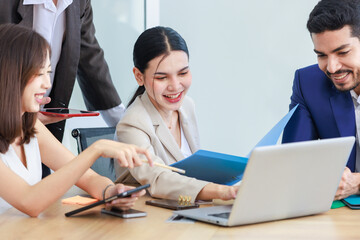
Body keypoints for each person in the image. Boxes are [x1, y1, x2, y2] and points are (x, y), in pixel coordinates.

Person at [0, 23, 152, 217]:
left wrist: (112, 192)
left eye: (48, 72)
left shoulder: (30, 126)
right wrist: (96, 149)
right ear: (10, 75)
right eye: (38, 74)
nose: (47, 84)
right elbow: (30, 201)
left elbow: (88, 178)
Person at [0, 0, 126, 177]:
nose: (47, 83)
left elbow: (90, 58)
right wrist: (96, 149)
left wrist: (124, 126)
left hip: (35, 125)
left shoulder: (79, 3)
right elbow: (27, 198)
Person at [114, 26, 238, 202]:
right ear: (139, 76)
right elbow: (158, 178)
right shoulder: (132, 123)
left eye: (183, 73)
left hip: (188, 209)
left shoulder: (186, 106)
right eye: (162, 77)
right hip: (152, 219)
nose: (175, 86)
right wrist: (221, 191)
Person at [282, 0, 360, 200]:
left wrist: (357, 182)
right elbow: (291, 163)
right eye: (321, 55)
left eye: (342, 52)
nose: (332, 68)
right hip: (337, 216)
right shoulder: (308, 83)